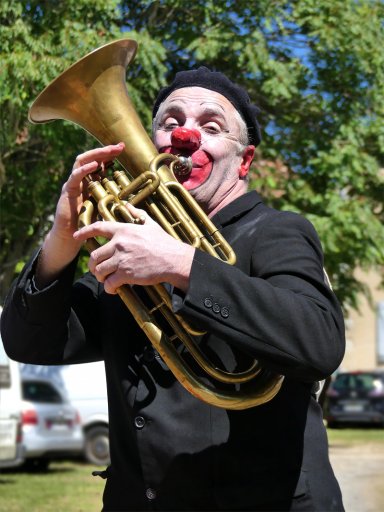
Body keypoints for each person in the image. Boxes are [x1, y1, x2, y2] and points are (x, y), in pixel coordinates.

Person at [1, 67, 345, 511]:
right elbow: (29, 343)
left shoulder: (277, 231)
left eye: (212, 125)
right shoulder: (128, 250)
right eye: (170, 122)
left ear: (244, 161)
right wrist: (62, 238)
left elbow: (319, 342)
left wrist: (182, 264)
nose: (185, 135)